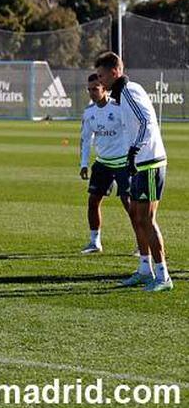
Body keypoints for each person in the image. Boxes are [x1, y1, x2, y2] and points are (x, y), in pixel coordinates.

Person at [95, 52, 172, 292]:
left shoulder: (129, 91)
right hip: (140, 163)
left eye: (101, 75)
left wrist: (134, 149)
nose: (99, 81)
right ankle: (144, 269)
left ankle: (163, 276)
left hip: (150, 162)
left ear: (114, 72)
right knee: (137, 218)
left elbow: (147, 122)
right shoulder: (122, 94)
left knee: (147, 219)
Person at [78, 72, 133, 254]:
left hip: (123, 163)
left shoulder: (118, 108)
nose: (92, 92)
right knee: (93, 201)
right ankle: (95, 242)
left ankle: (141, 243)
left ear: (104, 88)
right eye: (89, 90)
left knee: (129, 202)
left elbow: (130, 130)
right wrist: (83, 164)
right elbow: (86, 139)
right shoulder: (89, 112)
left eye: (95, 89)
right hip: (102, 163)